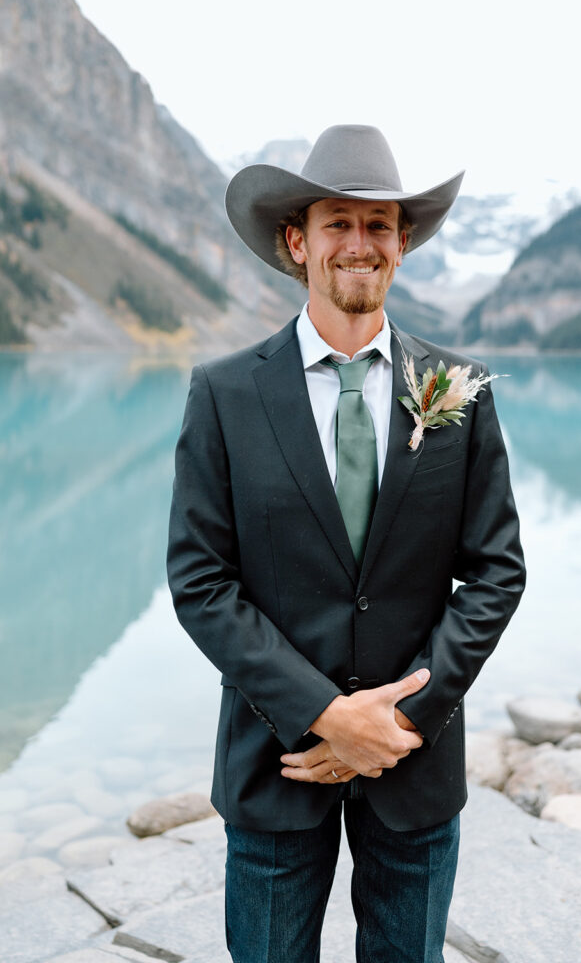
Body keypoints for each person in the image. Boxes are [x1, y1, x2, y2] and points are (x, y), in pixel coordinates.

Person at [167, 124, 525, 963]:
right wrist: (324, 716)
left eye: (378, 225)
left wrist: (396, 721)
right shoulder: (222, 394)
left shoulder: (458, 391)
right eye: (338, 221)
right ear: (297, 242)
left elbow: (495, 573)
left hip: (415, 764)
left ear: (401, 244)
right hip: (276, 763)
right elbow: (201, 582)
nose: (358, 243)